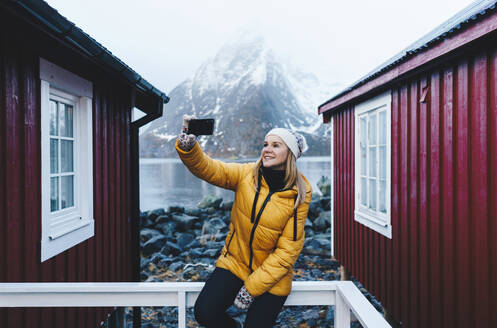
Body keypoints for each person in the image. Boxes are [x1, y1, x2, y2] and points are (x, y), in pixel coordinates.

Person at [176, 115, 312, 328]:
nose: (267, 149)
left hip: (272, 277)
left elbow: (287, 252)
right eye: (266, 144)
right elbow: (210, 169)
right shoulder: (247, 174)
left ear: (291, 154)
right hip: (235, 262)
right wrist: (189, 146)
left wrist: (251, 289)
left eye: (276, 145)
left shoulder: (299, 194)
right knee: (205, 312)